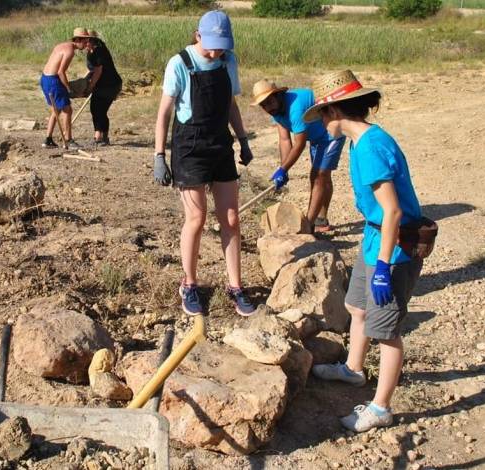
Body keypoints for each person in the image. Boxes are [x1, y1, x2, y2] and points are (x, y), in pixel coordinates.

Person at [305, 70, 424, 433]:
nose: (321, 124)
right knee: (357, 306)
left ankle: (380, 407)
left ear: (336, 112)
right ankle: (354, 371)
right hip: (374, 239)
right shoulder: (361, 142)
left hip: (393, 246)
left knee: (386, 330)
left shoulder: (371, 148)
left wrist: (385, 266)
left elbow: (393, 211)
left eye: (323, 115)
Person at [153, 10, 256, 317]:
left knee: (232, 219)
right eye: (211, 45)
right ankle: (189, 284)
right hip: (190, 148)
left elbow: (231, 105)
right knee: (196, 218)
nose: (215, 52)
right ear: (198, 36)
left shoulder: (228, 61)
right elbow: (164, 114)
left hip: (219, 144)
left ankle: (235, 286)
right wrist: (159, 155)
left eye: (221, 45)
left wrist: (244, 140)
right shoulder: (180, 64)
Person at [251, 79, 346, 233]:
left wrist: (283, 168)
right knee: (321, 176)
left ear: (278, 95)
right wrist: (284, 169)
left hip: (331, 133)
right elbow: (284, 139)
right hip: (316, 136)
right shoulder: (276, 110)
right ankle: (321, 220)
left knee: (319, 175)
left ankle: (309, 225)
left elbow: (299, 144)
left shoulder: (295, 107)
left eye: (269, 102)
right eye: (263, 105)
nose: (267, 108)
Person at [40, 28, 91, 150]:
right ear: (78, 40)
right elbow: (61, 72)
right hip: (53, 80)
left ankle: (48, 139)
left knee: (56, 110)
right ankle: (68, 140)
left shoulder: (61, 45)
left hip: (44, 78)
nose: (85, 45)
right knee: (67, 110)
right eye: (84, 42)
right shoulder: (70, 51)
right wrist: (68, 88)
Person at [85, 31, 123, 146]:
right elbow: (91, 70)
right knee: (96, 109)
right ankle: (102, 137)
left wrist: (91, 86)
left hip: (110, 85)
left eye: (86, 40)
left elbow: (98, 70)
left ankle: (100, 137)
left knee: (99, 110)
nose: (83, 43)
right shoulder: (91, 52)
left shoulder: (99, 51)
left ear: (92, 40)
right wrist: (84, 81)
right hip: (102, 84)